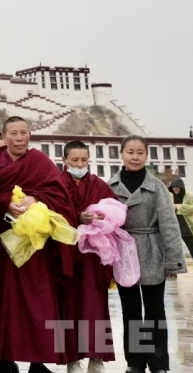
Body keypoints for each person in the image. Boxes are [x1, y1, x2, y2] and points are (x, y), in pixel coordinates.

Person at [0, 117, 76, 373]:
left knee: (40, 301)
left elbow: (61, 197)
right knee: (4, 301)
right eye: (13, 133)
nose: (19, 138)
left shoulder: (40, 162)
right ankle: (6, 359)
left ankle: (38, 362)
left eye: (24, 133)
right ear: (3, 137)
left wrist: (35, 198)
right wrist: (5, 203)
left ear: (30, 135)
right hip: (3, 244)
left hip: (36, 249)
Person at [109, 135, 186, 373]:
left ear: (146, 155)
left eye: (140, 152)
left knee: (155, 310)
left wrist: (173, 261)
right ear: (122, 154)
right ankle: (135, 362)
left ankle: (158, 363)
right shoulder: (110, 187)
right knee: (130, 310)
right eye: (130, 152)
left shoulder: (157, 187)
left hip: (152, 250)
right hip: (123, 254)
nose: (135, 157)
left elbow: (169, 224)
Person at [61, 141, 115, 373]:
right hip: (67, 253)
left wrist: (100, 218)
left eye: (84, 160)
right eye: (75, 160)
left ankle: (97, 357)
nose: (80, 164)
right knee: (67, 306)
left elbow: (114, 211)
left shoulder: (98, 185)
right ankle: (71, 360)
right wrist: (76, 217)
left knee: (95, 306)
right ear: (65, 161)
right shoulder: (57, 184)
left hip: (93, 256)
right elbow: (52, 213)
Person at [168, 178, 193, 278]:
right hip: (173, 227)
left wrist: (178, 207)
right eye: (173, 187)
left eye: (177, 187)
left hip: (186, 226)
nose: (175, 189)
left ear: (181, 187)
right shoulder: (169, 196)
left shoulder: (189, 196)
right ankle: (173, 271)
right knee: (173, 250)